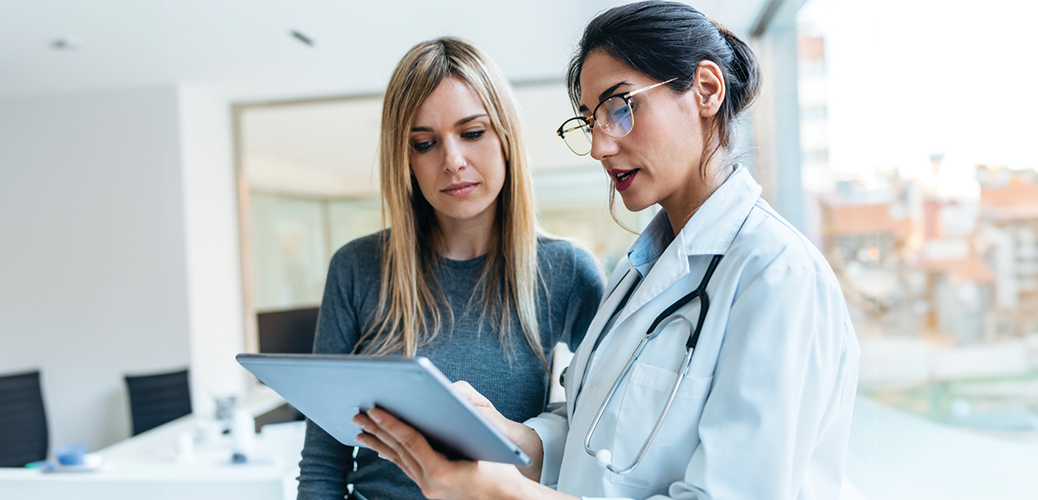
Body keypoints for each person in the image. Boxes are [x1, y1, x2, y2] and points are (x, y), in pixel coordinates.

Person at [352, 2, 861, 499]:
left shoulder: (776, 275)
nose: (599, 146)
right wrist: (507, 435)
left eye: (620, 107)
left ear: (706, 89)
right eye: (591, 120)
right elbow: (589, 431)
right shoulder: (639, 272)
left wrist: (502, 492)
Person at [298, 37, 607, 500]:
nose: (452, 161)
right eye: (425, 143)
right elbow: (324, 460)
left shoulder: (566, 271)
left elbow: (605, 426)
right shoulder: (358, 268)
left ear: (505, 137)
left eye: (473, 132)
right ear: (406, 160)